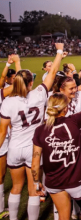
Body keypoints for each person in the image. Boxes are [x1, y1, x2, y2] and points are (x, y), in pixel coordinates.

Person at [0, 43, 63, 220]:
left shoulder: (7, 102)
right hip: (33, 149)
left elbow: (2, 132)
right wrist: (59, 51)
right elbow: (52, 73)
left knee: (16, 187)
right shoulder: (39, 94)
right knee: (34, 188)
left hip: (14, 148)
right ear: (30, 83)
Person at [31, 75, 81, 220]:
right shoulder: (74, 121)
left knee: (63, 216)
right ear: (66, 109)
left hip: (54, 183)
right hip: (78, 180)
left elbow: (35, 163)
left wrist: (36, 183)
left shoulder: (40, 130)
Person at [0, 55, 18, 219]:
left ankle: (0, 209)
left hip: (3, 137)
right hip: (2, 138)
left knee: (1, 174)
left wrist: (8, 65)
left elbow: (12, 86)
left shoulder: (1, 93)